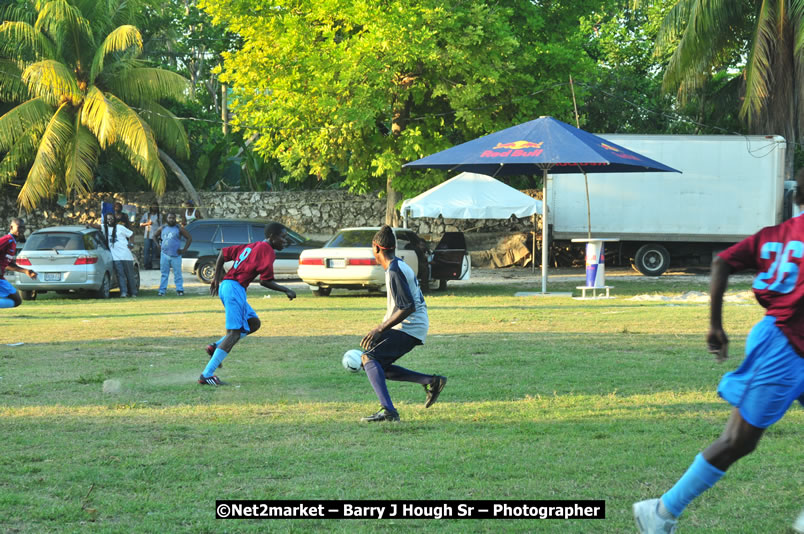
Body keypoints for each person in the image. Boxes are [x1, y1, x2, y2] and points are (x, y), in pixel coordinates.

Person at [633, 172, 804, 534]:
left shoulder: (777, 234)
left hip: (786, 339)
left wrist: (715, 324)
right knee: (737, 441)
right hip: (785, 345)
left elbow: (723, 261)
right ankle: (661, 511)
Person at [357, 225, 446, 422]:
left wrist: (380, 328)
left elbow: (407, 306)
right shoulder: (397, 265)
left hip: (409, 325)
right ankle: (431, 381)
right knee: (379, 366)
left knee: (368, 358)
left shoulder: (394, 270)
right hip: (413, 325)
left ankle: (389, 411)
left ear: (376, 248)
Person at [199, 222, 297, 386]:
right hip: (234, 289)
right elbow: (265, 281)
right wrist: (286, 290)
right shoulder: (267, 251)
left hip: (228, 287)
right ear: (272, 237)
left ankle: (215, 347)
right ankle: (206, 375)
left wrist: (217, 279)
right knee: (234, 333)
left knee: (253, 323)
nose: (285, 241)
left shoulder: (252, 246)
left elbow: (223, 254)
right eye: (283, 237)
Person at [93, 213, 137, 297]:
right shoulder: (104, 228)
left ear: (114, 219)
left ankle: (133, 292)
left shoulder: (120, 228)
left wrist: (131, 244)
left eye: (111, 219)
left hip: (126, 255)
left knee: (129, 275)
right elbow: (96, 226)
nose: (110, 221)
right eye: (108, 219)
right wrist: (89, 225)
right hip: (116, 257)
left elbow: (131, 234)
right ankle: (124, 292)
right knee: (120, 275)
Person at [0, 219, 37, 308]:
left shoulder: (13, 242)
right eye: (19, 227)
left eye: (23, 228)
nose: (22, 230)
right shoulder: (7, 239)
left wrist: (25, 271)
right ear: (11, 227)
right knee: (16, 300)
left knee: (16, 300)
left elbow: (8, 264)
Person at [153, 213, 192, 296]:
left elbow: (189, 238)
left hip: (176, 255)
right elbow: (154, 236)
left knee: (177, 273)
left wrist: (184, 250)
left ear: (175, 219)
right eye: (169, 218)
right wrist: (157, 245)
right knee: (164, 274)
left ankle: (179, 290)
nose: (171, 219)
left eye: (173, 218)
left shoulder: (179, 229)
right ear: (167, 218)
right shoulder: (163, 228)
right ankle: (162, 291)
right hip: (164, 254)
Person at [139, 204, 161, 270]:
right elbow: (140, 224)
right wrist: (148, 223)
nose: (154, 208)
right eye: (153, 206)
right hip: (148, 236)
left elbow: (161, 225)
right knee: (146, 251)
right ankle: (146, 265)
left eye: (156, 207)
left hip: (156, 236)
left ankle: (154, 265)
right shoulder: (147, 215)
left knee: (155, 251)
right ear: (151, 207)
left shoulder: (159, 215)